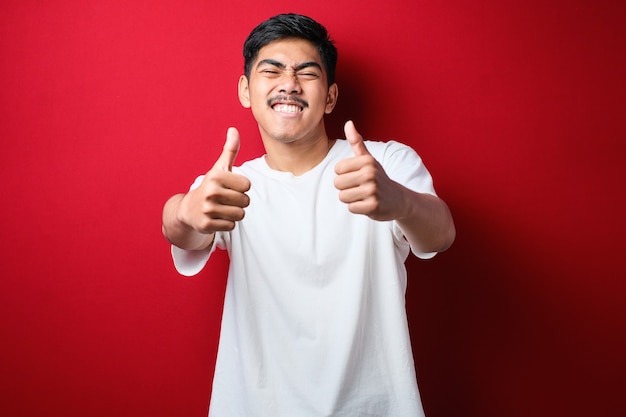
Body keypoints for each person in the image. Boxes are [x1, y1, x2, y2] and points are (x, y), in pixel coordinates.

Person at [162, 13, 455, 417]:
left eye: (306, 72)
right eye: (272, 70)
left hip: (376, 407)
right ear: (246, 90)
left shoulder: (382, 164)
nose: (289, 84)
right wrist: (185, 210)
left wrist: (399, 201)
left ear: (330, 97)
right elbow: (179, 229)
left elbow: (441, 234)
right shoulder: (231, 185)